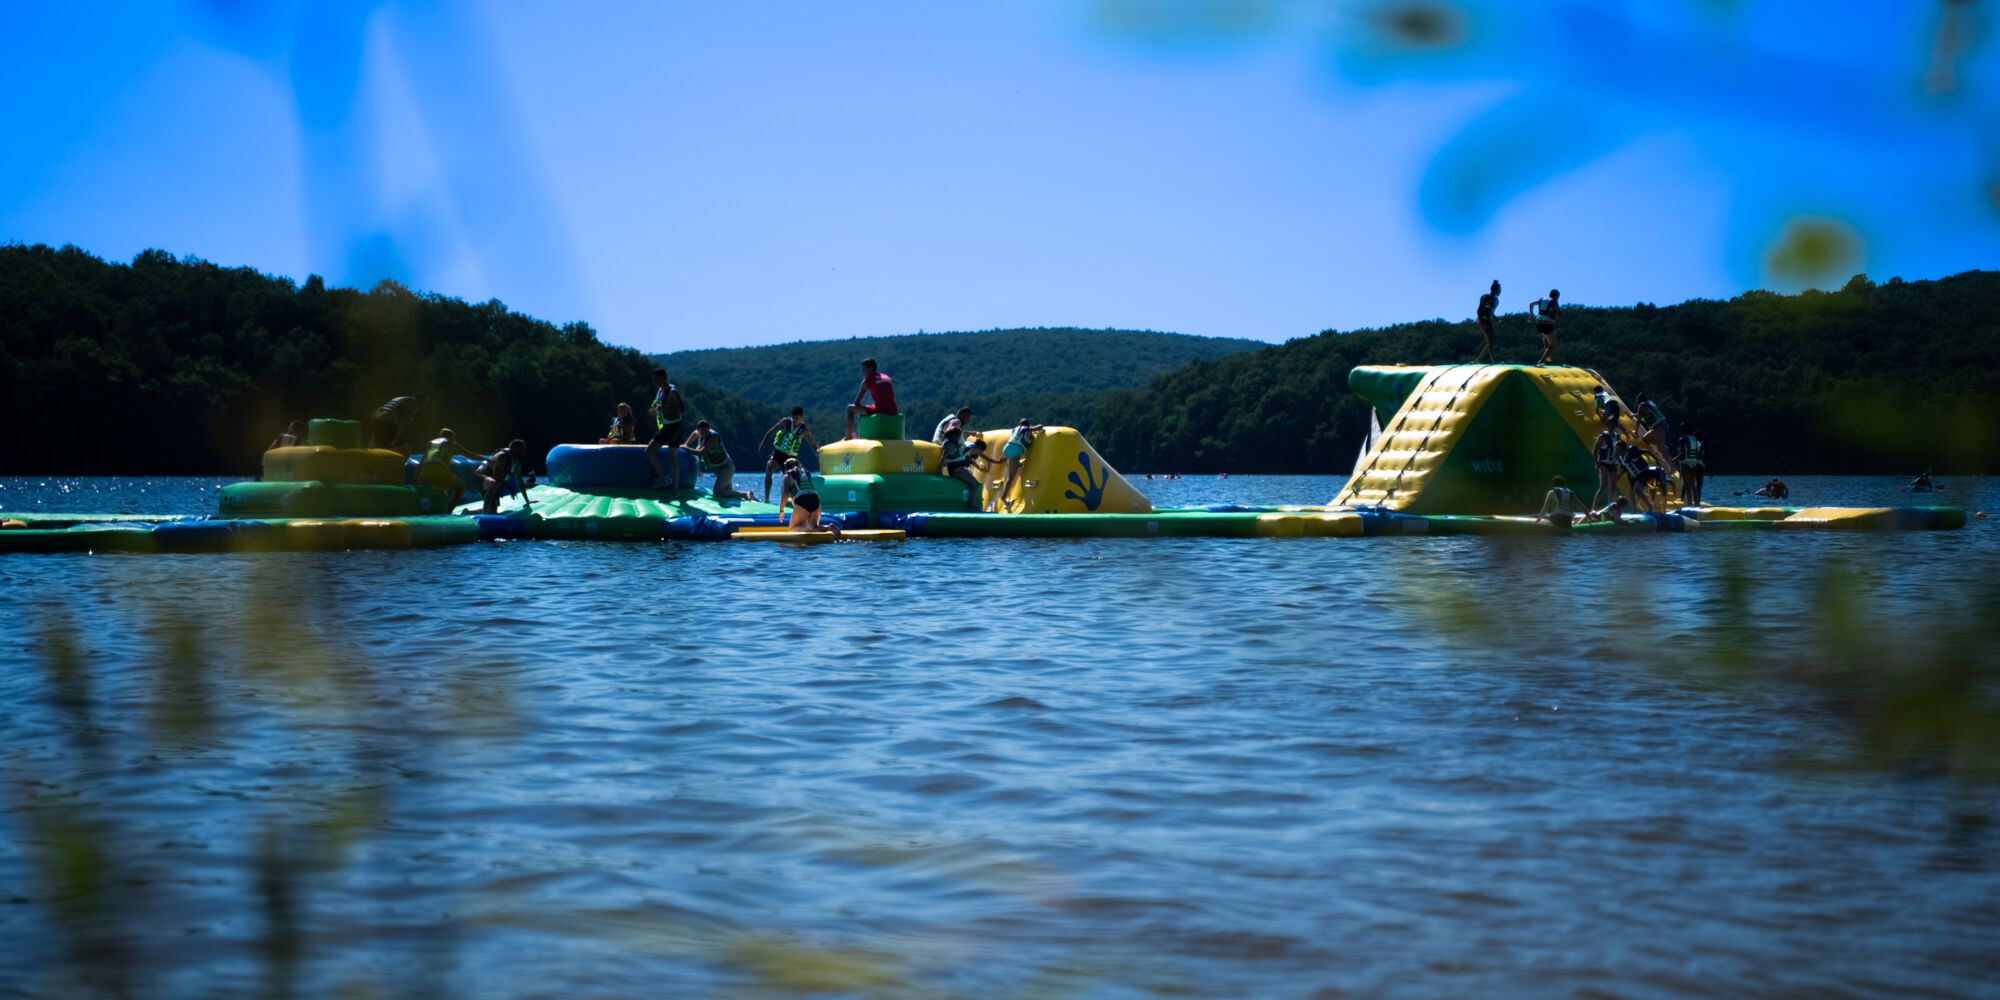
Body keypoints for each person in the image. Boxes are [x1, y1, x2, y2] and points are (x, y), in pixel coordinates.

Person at [756, 407, 820, 502]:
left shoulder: (805, 430)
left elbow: (813, 444)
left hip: (791, 457)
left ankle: (789, 500)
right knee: (769, 468)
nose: (795, 420)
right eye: (794, 418)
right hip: (779, 453)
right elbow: (772, 431)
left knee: (790, 477)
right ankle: (767, 499)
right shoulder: (785, 422)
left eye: (797, 418)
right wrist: (763, 443)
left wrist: (818, 452)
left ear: (802, 417)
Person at [684, 421, 757, 501]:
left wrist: (686, 448)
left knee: (717, 492)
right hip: (720, 469)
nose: (704, 434)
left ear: (708, 429)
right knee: (729, 494)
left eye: (706, 431)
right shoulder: (700, 431)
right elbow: (695, 433)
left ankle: (746, 494)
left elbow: (701, 453)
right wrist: (686, 444)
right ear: (699, 430)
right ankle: (754, 499)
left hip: (726, 468)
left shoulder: (713, 438)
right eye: (701, 432)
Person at [645, 368, 688, 491]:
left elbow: (682, 408)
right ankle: (662, 480)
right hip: (665, 427)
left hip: (675, 427)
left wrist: (664, 408)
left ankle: (675, 490)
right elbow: (655, 406)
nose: (654, 382)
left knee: (672, 459)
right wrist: (652, 410)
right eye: (653, 380)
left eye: (656, 379)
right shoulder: (659, 391)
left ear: (663, 378)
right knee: (649, 452)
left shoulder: (672, 391)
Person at [416, 428, 479, 508]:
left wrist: (416, 484)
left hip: (425, 472)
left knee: (442, 490)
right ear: (451, 437)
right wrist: (487, 459)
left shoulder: (430, 444)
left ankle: (438, 509)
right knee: (460, 489)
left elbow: (420, 465)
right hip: (439, 471)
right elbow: (469, 454)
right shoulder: (450, 442)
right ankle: (448, 511)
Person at [992, 419, 1045, 512]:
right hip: (1015, 451)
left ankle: (1019, 465)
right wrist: (1033, 428)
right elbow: (1040, 426)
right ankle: (1004, 498)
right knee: (1010, 478)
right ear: (1028, 425)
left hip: (1007, 449)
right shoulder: (1027, 429)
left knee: (1015, 464)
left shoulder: (1015, 429)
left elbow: (1014, 441)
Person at [844, 357, 898, 439]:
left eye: (864, 369)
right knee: (872, 406)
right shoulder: (886, 377)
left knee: (850, 408)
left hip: (880, 410)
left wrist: (863, 406)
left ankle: (849, 437)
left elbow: (857, 403)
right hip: (893, 410)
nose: (862, 372)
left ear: (871, 368)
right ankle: (856, 434)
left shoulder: (867, 380)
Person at [785, 459, 841, 536]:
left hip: (802, 502)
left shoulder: (788, 475)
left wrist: (781, 510)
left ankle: (808, 528)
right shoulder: (806, 474)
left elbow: (785, 493)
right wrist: (790, 500)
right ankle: (829, 527)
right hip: (816, 500)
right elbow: (806, 492)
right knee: (814, 527)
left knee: (793, 528)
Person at [478, 439, 533, 516]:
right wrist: (509, 487)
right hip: (480, 478)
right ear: (514, 449)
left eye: (524, 450)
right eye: (522, 449)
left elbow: (520, 482)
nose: (524, 452)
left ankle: (468, 512)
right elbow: (496, 476)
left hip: (492, 483)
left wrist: (527, 500)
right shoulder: (502, 456)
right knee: (494, 483)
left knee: (493, 510)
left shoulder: (517, 463)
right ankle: (484, 513)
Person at [1615, 441, 1664, 513]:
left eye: (1618, 449)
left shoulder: (1632, 451)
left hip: (1644, 472)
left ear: (1624, 448)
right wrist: (1619, 475)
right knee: (1631, 493)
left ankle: (1650, 507)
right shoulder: (1620, 458)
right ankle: (1634, 511)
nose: (1616, 451)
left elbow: (1647, 451)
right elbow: (1626, 467)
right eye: (1616, 449)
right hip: (1635, 476)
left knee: (1637, 489)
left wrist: (1657, 460)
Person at [937, 424, 984, 495]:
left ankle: (969, 503)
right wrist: (939, 473)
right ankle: (971, 505)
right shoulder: (951, 444)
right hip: (957, 468)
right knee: (975, 484)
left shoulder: (952, 443)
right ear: (956, 436)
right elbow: (943, 457)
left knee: (972, 483)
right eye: (959, 436)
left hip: (958, 468)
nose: (960, 438)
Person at [1591, 427, 1621, 509]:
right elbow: (1594, 451)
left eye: (1614, 425)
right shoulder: (1603, 436)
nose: (1612, 427)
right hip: (1603, 463)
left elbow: (1618, 451)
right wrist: (1596, 463)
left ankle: (1610, 507)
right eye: (1611, 424)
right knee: (1603, 485)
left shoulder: (1617, 437)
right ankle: (1594, 508)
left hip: (1612, 463)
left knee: (1613, 486)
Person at [1528, 289, 1561, 364]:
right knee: (1553, 345)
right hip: (1547, 324)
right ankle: (1541, 361)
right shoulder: (1553, 302)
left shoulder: (1542, 300)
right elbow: (1559, 313)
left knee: (1545, 338)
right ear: (1556, 296)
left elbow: (1531, 304)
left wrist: (1531, 314)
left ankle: (1547, 359)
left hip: (1538, 324)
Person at [1674, 423, 1704, 504]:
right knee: (1693, 485)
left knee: (1687, 485)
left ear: (1682, 430)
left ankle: (1690, 504)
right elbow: (1697, 452)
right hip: (1694, 462)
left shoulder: (1682, 439)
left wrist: (1674, 460)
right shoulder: (1694, 438)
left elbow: (1682, 453)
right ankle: (1697, 504)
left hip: (1685, 462)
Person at [1633, 393, 1669, 459]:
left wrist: (1636, 432)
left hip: (1658, 427)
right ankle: (1663, 446)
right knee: (1645, 440)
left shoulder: (1641, 406)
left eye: (1637, 400)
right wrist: (1633, 415)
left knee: (1660, 449)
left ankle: (1671, 466)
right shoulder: (1650, 403)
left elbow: (1639, 420)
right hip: (1661, 425)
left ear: (1639, 400)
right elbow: (1645, 414)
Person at [1474, 279, 1500, 361]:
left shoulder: (1496, 300)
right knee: (1490, 341)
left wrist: (1497, 320)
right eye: (1498, 289)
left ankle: (1478, 360)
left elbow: (1491, 312)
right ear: (1493, 289)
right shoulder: (1485, 297)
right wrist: (1482, 320)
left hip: (1488, 321)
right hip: (1482, 320)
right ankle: (1493, 360)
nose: (1500, 291)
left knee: (1492, 342)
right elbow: (1479, 311)